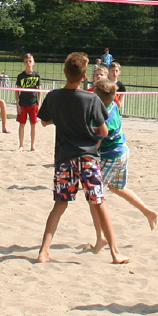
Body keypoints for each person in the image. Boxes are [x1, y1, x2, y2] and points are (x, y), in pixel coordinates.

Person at [36, 52, 126, 264]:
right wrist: (90, 131)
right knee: (99, 202)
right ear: (84, 75)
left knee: (59, 204)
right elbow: (103, 131)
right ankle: (115, 253)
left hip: (65, 157)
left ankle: (43, 252)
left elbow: (44, 122)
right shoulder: (92, 98)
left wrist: (62, 120)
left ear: (65, 72)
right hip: (87, 157)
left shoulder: (54, 96)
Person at [87, 79, 158, 253]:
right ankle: (148, 212)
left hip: (110, 156)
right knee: (117, 187)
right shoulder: (114, 104)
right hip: (123, 152)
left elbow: (97, 141)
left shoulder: (103, 117)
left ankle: (100, 238)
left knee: (93, 197)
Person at [16, 53, 42, 152]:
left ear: (33, 62)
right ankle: (21, 145)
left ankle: (32, 145)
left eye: (30, 61)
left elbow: (40, 91)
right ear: (24, 63)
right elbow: (17, 91)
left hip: (33, 103)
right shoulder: (21, 76)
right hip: (23, 103)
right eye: (26, 61)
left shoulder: (37, 75)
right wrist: (17, 104)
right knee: (22, 124)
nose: (28, 63)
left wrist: (39, 104)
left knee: (33, 124)